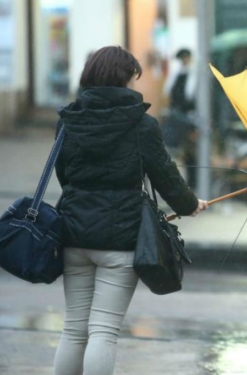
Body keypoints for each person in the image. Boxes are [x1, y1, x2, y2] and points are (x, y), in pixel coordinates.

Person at [53, 46, 208, 375]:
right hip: (121, 236)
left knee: (74, 328)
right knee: (104, 330)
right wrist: (190, 205)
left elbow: (64, 175)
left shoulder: (69, 119)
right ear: (123, 79)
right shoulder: (141, 123)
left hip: (74, 232)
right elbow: (164, 175)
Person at [163, 48, 198, 187]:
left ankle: (193, 182)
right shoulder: (176, 74)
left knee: (191, 153)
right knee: (178, 153)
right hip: (177, 118)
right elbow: (168, 94)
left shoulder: (195, 74)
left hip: (191, 119)